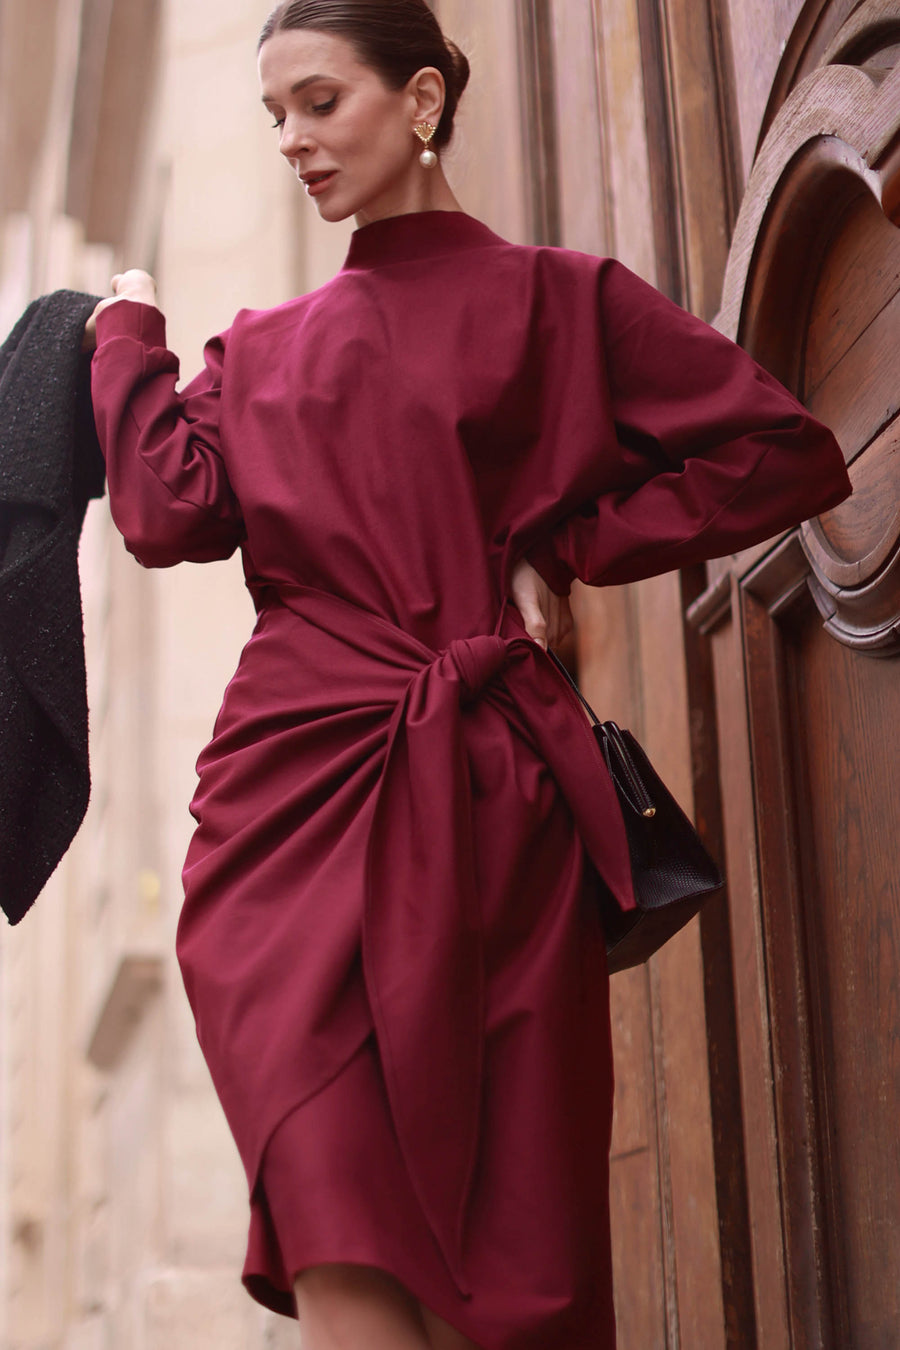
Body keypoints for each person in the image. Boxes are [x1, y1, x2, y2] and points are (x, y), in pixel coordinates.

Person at [83, 2, 851, 1346]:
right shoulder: (258, 348)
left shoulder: (563, 302)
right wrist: (124, 335)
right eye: (274, 116)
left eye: (320, 102)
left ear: (424, 98)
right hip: (283, 829)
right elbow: (164, 512)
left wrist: (568, 539)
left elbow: (781, 450)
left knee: (523, 1249)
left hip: (490, 812)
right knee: (336, 1215)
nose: (293, 141)